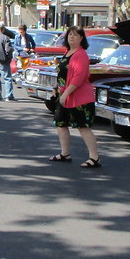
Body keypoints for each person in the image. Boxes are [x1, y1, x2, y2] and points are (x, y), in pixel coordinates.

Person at [49, 25, 101, 168]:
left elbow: (78, 78)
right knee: (61, 124)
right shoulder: (67, 52)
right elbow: (62, 73)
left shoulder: (81, 54)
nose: (72, 37)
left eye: (75, 35)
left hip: (78, 97)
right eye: (70, 35)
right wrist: (56, 88)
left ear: (81, 38)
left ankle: (94, 157)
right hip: (63, 95)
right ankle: (65, 153)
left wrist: (65, 93)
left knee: (82, 126)